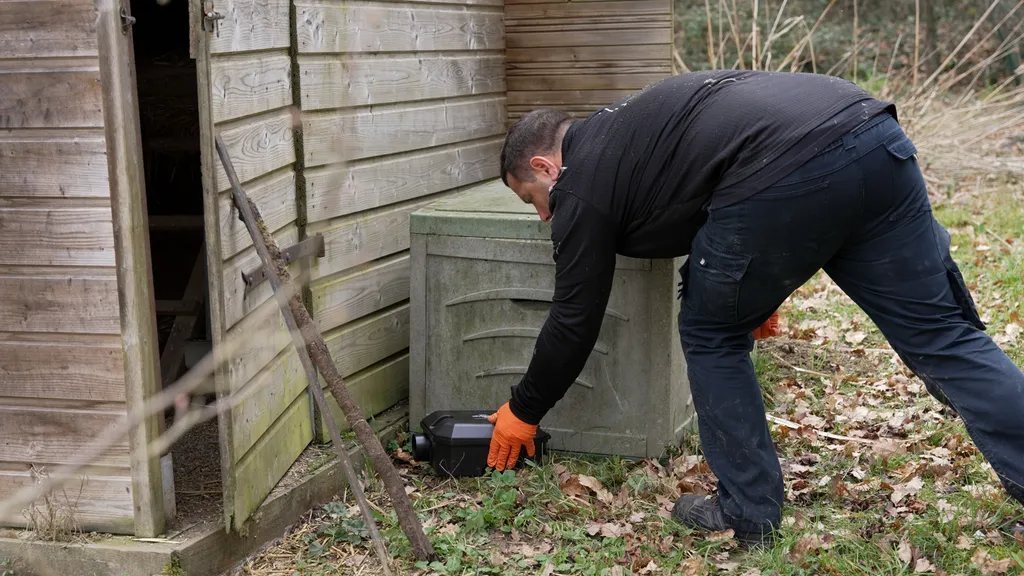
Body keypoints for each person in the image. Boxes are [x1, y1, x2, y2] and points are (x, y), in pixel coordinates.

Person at [484, 69, 1024, 547]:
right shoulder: (630, 132)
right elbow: (700, 190)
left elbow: (576, 316)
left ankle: (747, 513)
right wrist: (763, 282)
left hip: (793, 165)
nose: (542, 217)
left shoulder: (583, 184)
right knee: (943, 336)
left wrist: (524, 409)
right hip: (870, 133)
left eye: (532, 199)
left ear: (546, 166)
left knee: (710, 334)